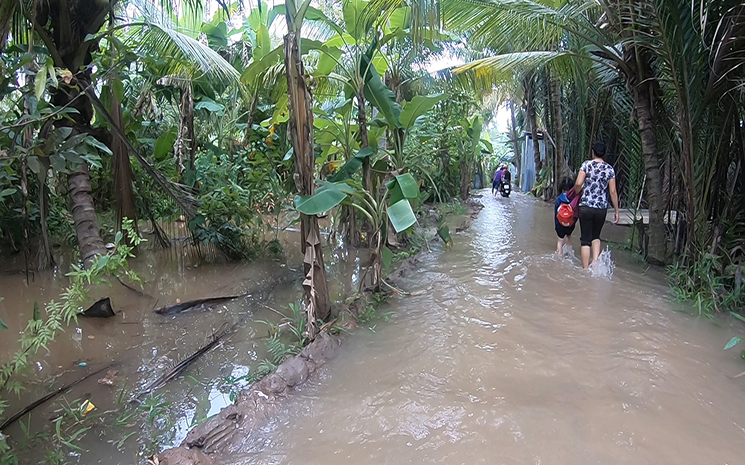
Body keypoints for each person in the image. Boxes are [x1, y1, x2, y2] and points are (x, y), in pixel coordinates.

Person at [574, 141, 620, 269]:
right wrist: (617, 211)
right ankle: (595, 264)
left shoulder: (586, 165)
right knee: (596, 236)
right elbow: (612, 191)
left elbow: (578, 183)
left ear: (593, 152)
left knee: (585, 240)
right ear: (604, 154)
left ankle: (585, 270)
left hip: (586, 206)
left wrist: (578, 192)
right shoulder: (609, 169)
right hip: (601, 208)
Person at [554, 176, 578, 257]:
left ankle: (559, 256)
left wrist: (557, 225)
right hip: (570, 224)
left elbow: (556, 214)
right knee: (569, 237)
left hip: (560, 224)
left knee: (560, 241)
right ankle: (570, 254)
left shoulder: (558, 199)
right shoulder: (574, 199)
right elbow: (575, 212)